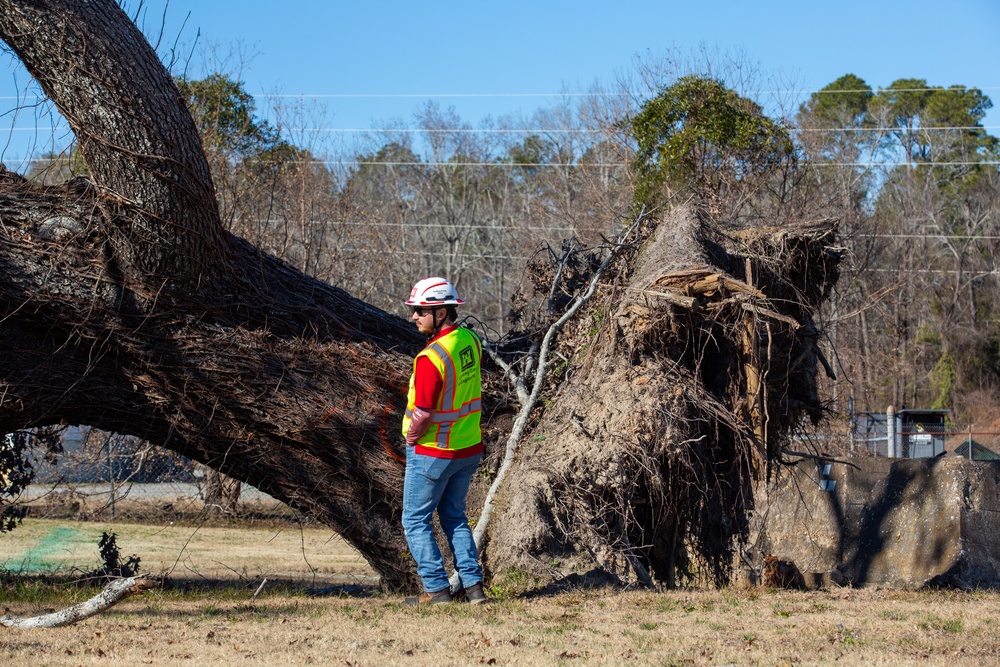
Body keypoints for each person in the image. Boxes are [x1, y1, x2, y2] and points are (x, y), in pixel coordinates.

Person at [401, 277, 487, 605]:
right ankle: (474, 588)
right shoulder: (470, 340)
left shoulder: (430, 358)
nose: (414, 317)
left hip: (434, 450)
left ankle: (437, 591)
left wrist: (412, 435)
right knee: (454, 516)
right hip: (468, 448)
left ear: (440, 312)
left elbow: (422, 411)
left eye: (420, 311)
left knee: (415, 520)